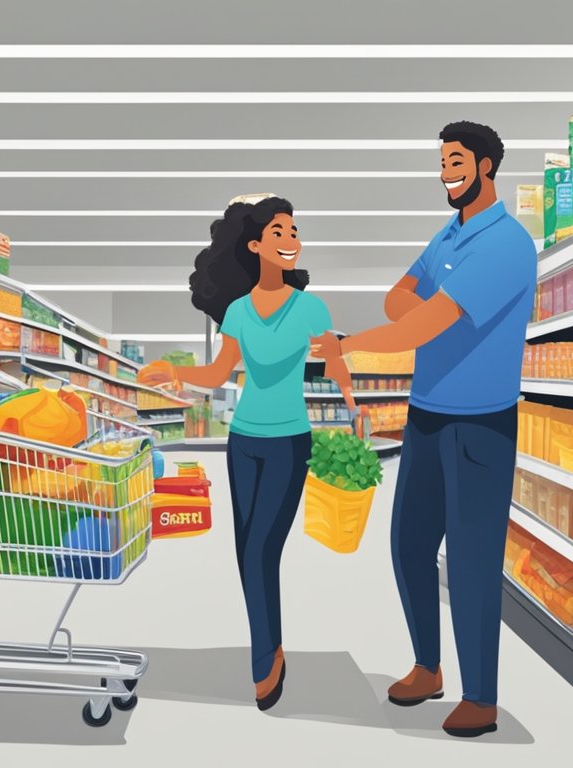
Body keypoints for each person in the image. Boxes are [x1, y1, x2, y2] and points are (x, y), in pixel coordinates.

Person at [311, 121, 536, 738]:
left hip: (481, 425)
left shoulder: (508, 244)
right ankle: (427, 667)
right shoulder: (448, 234)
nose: (446, 173)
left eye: (456, 161)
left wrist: (355, 343)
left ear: (487, 165)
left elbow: (411, 327)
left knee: (471, 561)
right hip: (427, 416)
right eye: (441, 163)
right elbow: (398, 300)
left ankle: (482, 697)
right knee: (408, 546)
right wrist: (441, 316)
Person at [140, 194, 352, 711]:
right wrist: (174, 373)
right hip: (245, 442)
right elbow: (218, 375)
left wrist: (352, 405)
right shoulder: (237, 311)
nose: (291, 241)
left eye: (294, 231)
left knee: (261, 551)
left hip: (288, 442)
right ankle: (273, 645)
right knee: (247, 555)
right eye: (279, 233)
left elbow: (334, 359)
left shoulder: (310, 308)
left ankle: (265, 660)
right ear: (255, 244)